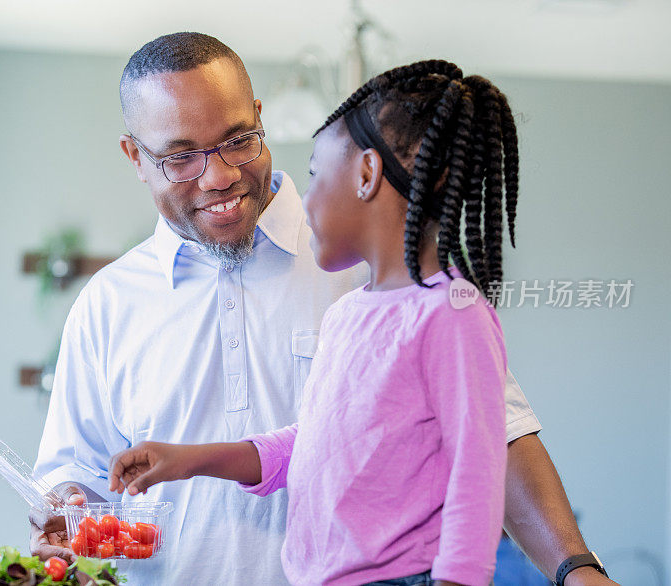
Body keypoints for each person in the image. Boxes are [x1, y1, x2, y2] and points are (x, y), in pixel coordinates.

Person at [30, 33, 615, 586]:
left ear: (259, 116)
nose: (221, 175)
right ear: (136, 155)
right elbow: (80, 475)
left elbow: (492, 443)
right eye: (182, 157)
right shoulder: (105, 306)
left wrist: (574, 567)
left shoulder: (393, 274)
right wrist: (74, 507)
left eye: (238, 140)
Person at [107, 59, 512, 586]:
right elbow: (312, 444)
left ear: (366, 175)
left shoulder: (452, 312)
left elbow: (477, 477)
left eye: (318, 173)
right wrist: (189, 459)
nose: (304, 198)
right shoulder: (348, 314)